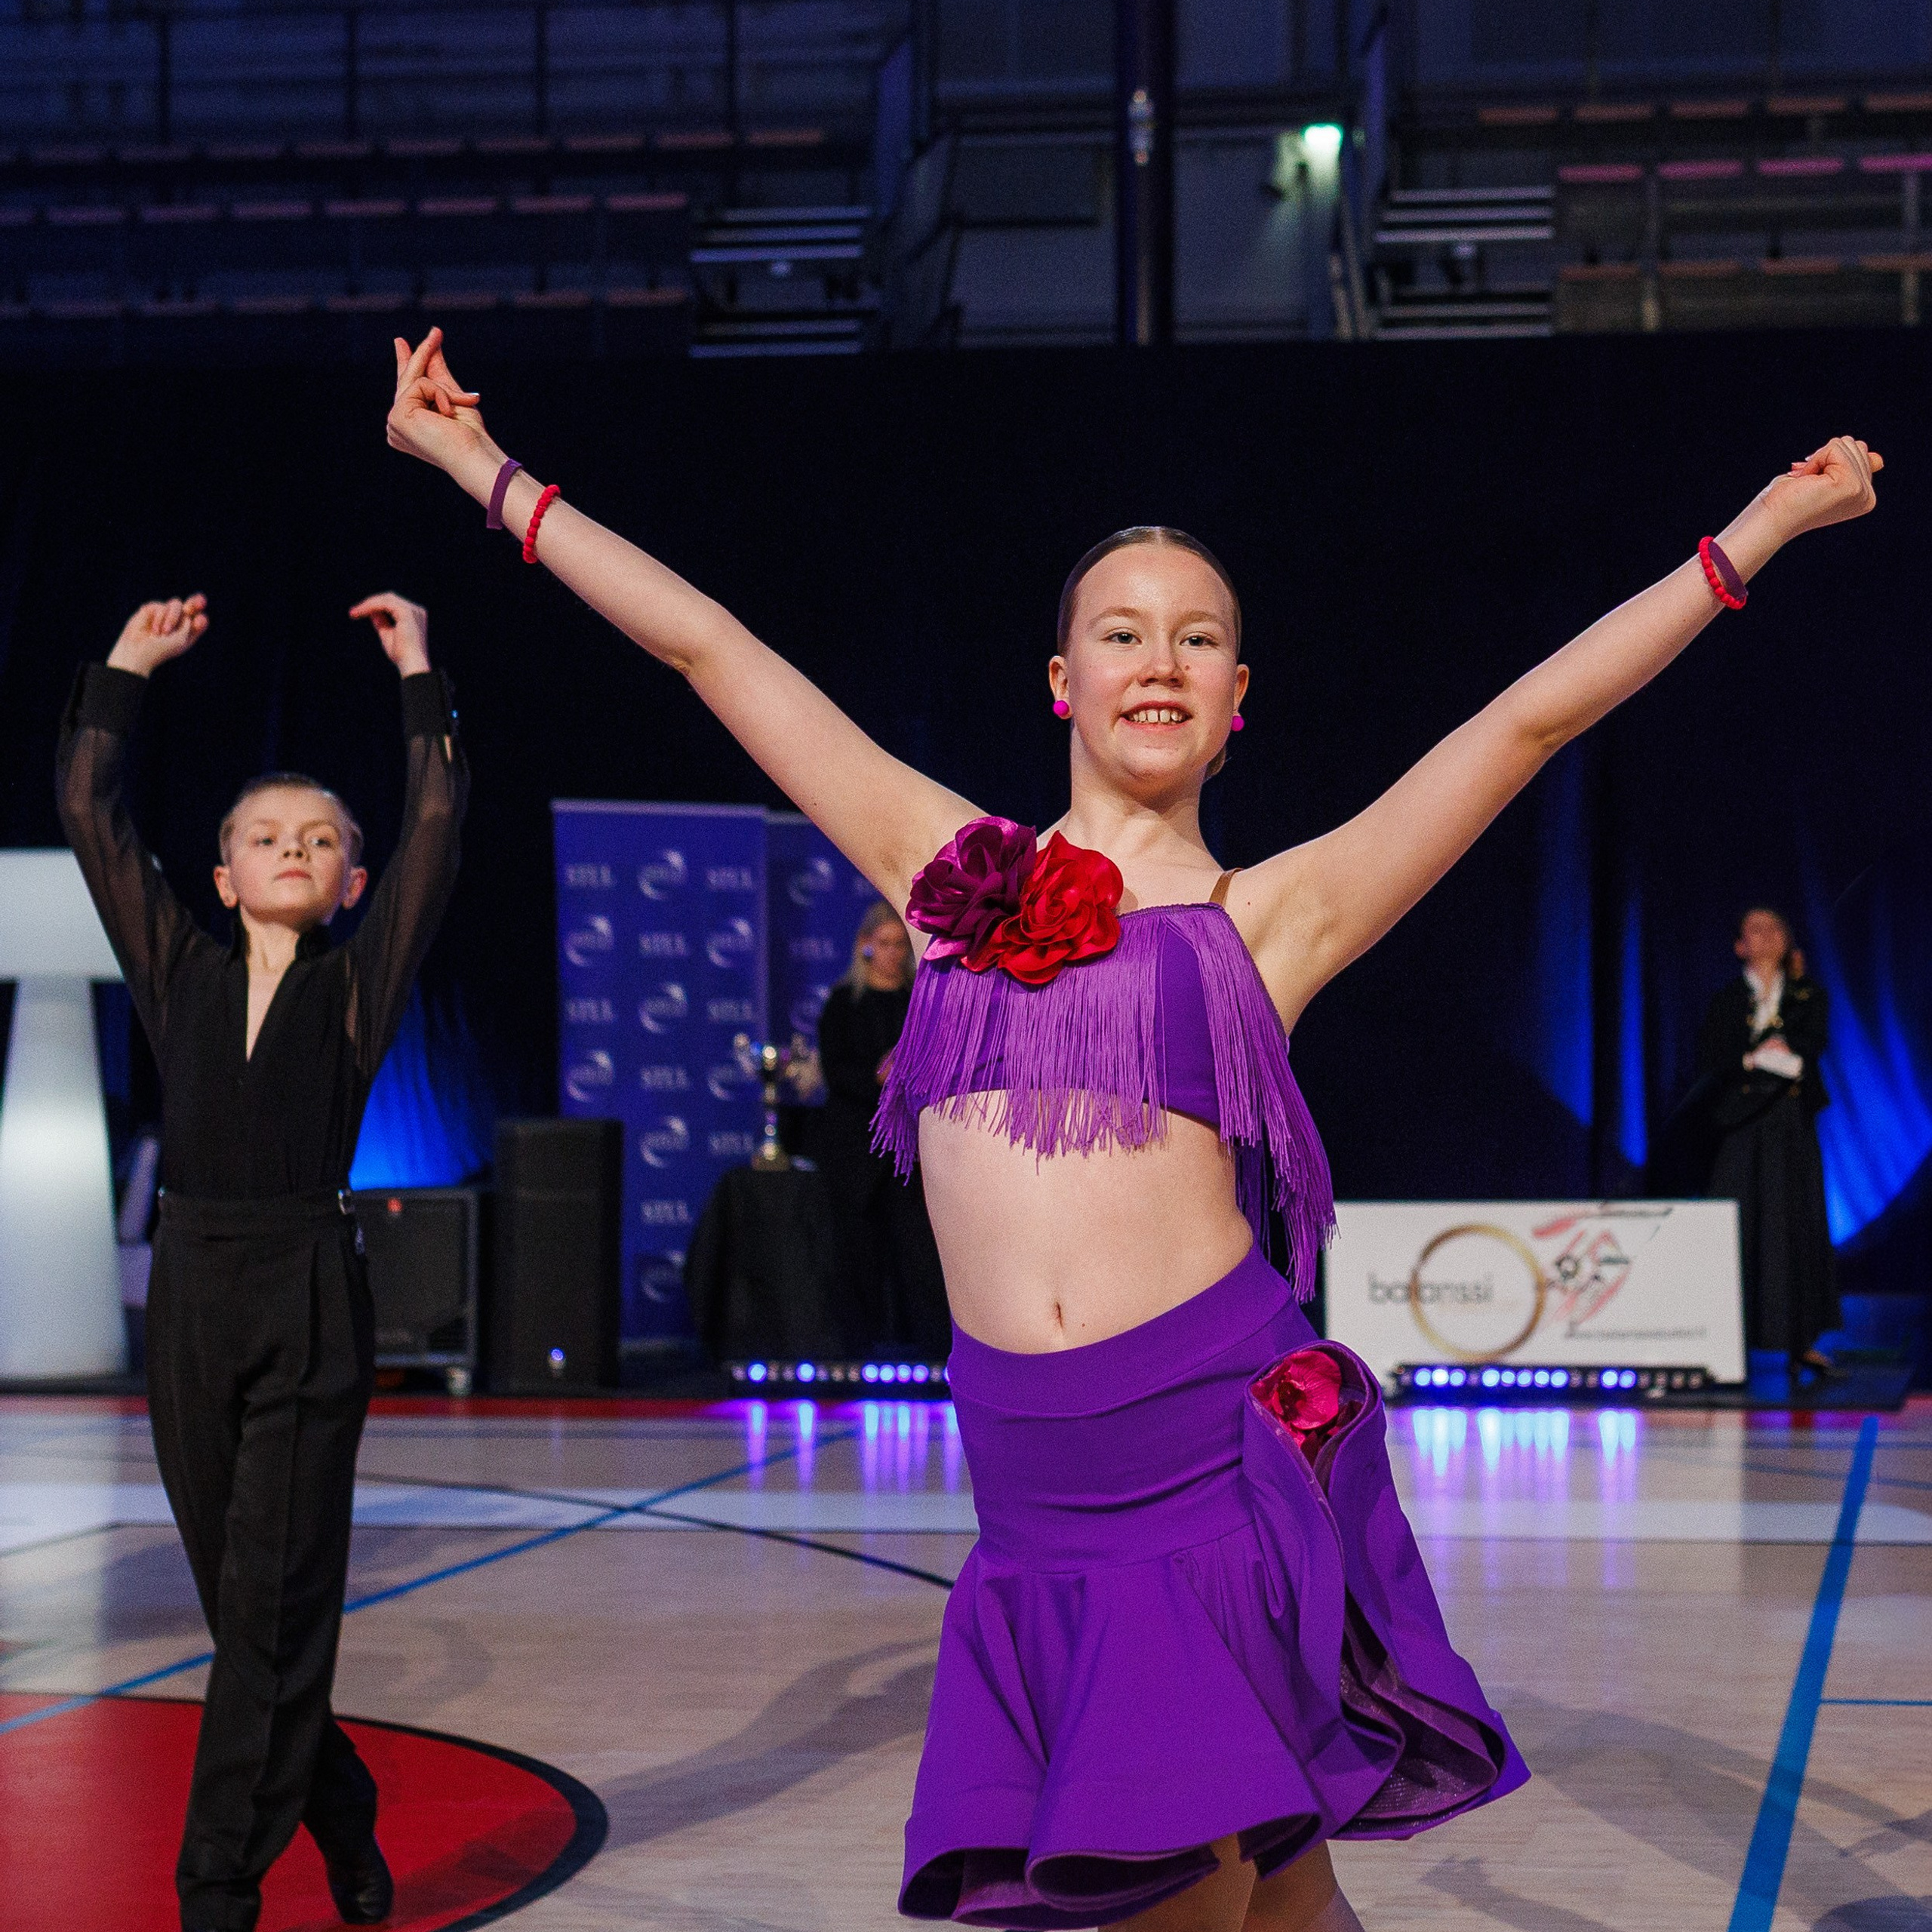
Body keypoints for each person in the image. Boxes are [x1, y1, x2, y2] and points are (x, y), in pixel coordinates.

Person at [385, 326, 1877, 1932]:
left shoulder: (1272, 912)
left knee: (1173, 1888)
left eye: (1195, 639)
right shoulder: (940, 863)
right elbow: (710, 648)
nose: (1155, 660)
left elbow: (1521, 724)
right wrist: (476, 466)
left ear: (1237, 699)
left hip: (1206, 1461)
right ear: (1062, 678)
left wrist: (1756, 534)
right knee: (1278, 1897)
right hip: (1027, 1487)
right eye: (1119, 631)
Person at [57, 589, 468, 1932]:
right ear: (222, 875)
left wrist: (416, 672)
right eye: (262, 837)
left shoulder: (356, 986)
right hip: (190, 1293)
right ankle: (342, 1817)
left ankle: (215, 1888)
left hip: (305, 1293)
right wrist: (127, 667)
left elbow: (438, 824)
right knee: (255, 1627)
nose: (293, 848)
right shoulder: (176, 963)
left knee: (277, 1605)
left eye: (320, 840)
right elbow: (87, 813)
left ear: (351, 881)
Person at [1699, 906, 1839, 1380]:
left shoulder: (1806, 994)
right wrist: (1756, 1056)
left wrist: (1773, 1053)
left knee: (1795, 1222)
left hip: (1790, 1121)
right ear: (1740, 945)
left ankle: (1801, 1340)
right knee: (1737, 1224)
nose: (1766, 936)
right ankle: (1724, 1342)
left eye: (1774, 927)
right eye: (1754, 929)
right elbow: (1718, 1056)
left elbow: (1809, 1046)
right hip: (1742, 1121)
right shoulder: (1727, 999)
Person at [816, 901, 949, 1356]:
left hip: (907, 1148)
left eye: (899, 945)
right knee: (857, 1252)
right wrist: (879, 1077)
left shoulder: (919, 1000)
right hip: (854, 1148)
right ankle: (857, 1353)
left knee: (918, 1253)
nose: (893, 953)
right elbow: (837, 1073)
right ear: (864, 947)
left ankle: (929, 1352)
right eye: (884, 944)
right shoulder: (842, 1004)